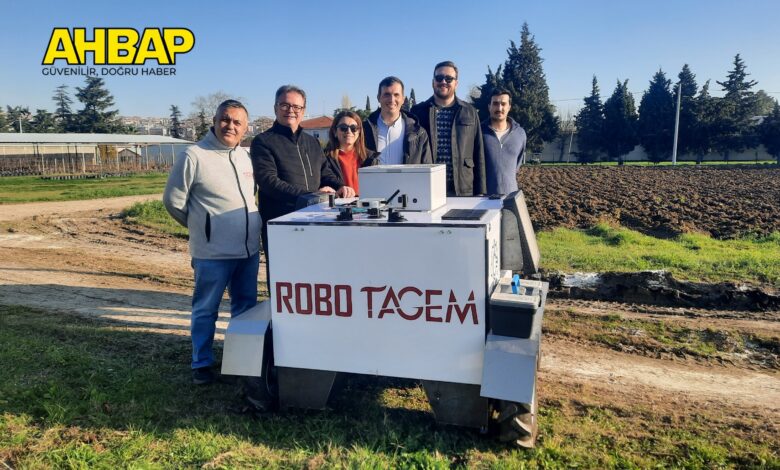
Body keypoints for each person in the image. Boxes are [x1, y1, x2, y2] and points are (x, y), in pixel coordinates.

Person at [163, 99, 260, 385]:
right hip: (212, 253)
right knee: (206, 309)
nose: (230, 126)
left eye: (237, 122)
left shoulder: (245, 157)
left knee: (245, 309)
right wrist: (202, 228)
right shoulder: (194, 156)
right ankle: (202, 363)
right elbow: (173, 201)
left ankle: (241, 362)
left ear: (245, 128)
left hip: (248, 251)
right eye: (225, 119)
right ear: (215, 122)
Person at [251, 85, 355, 274]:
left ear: (303, 110)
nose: (290, 110)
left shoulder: (312, 142)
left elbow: (325, 173)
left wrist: (340, 186)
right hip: (281, 225)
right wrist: (311, 196)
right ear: (275, 108)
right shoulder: (263, 142)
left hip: (314, 222)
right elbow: (269, 182)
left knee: (313, 277)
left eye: (296, 107)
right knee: (283, 279)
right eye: (285, 105)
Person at [411, 61, 486, 196]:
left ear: (456, 83)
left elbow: (478, 151)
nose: (443, 82)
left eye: (449, 79)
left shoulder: (469, 111)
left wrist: (481, 191)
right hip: (427, 187)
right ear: (433, 82)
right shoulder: (418, 112)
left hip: (463, 188)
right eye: (439, 78)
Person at [363, 76, 432, 165]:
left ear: (403, 99)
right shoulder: (363, 130)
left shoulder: (419, 133)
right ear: (378, 98)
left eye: (396, 95)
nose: (392, 100)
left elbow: (427, 167)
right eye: (387, 94)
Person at [481, 88, 527, 195]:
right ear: (489, 106)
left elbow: (517, 164)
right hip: (484, 198)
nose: (499, 108)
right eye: (495, 104)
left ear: (509, 107)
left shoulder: (520, 134)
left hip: (510, 197)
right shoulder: (478, 132)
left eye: (503, 104)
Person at [325, 110, 377, 195]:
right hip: (338, 202)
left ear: (359, 132)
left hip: (364, 203)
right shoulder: (324, 158)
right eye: (343, 128)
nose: (349, 131)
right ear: (335, 132)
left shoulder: (371, 158)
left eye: (354, 128)